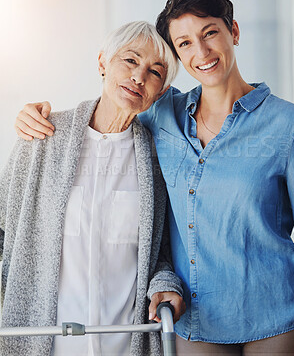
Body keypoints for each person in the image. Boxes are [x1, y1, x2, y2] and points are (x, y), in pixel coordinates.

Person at [13, 0, 294, 356]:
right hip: (193, 320)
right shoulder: (163, 113)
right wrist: (37, 116)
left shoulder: (291, 125)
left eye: (210, 33)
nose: (201, 51)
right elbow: (115, 101)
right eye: (184, 43)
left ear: (233, 31)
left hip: (273, 314)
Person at [0, 21, 186, 356]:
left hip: (123, 342)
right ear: (102, 62)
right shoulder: (42, 136)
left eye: (155, 72)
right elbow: (3, 228)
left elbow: (160, 254)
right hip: (44, 342)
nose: (139, 77)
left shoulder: (157, 162)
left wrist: (164, 285)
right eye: (130, 61)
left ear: (160, 91)